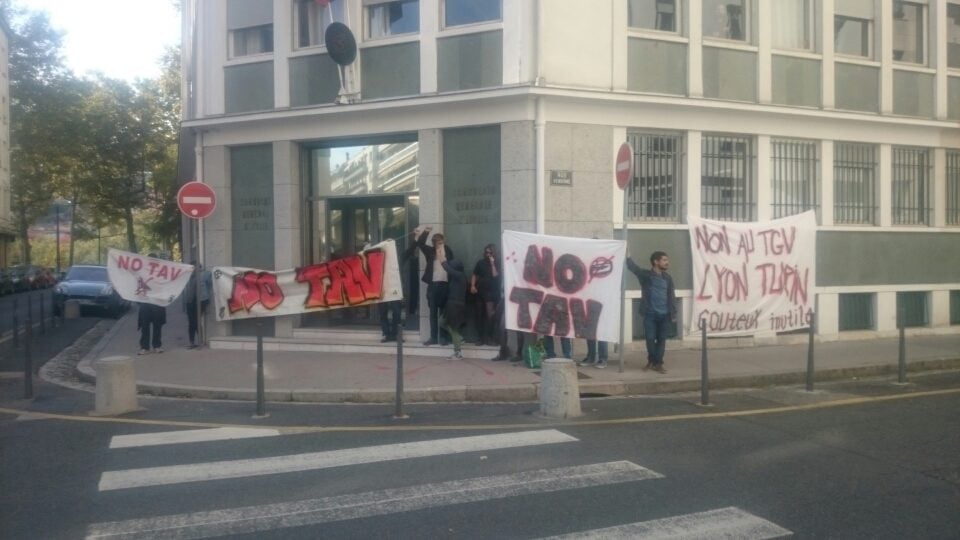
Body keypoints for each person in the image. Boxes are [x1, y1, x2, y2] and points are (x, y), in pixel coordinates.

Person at [626, 250, 677, 374]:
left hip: (665, 315)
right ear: (656, 262)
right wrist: (627, 255)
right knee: (650, 339)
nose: (667, 263)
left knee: (661, 340)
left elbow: (671, 296)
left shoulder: (668, 278)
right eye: (664, 260)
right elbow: (633, 268)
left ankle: (658, 363)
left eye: (667, 260)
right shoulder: (646, 276)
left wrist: (673, 313)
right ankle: (652, 361)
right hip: (650, 314)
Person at [416, 226, 455, 346]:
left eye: (441, 242)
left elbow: (452, 265)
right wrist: (426, 232)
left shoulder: (448, 250)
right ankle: (433, 337)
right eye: (437, 243)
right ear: (433, 243)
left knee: (443, 314)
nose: (439, 244)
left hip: (444, 285)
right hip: (433, 286)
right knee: (433, 313)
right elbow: (420, 244)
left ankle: (443, 338)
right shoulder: (430, 251)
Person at [379, 233, 419, 343]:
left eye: (392, 245)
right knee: (383, 312)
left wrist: (416, 238)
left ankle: (396, 334)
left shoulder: (399, 258)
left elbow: (410, 250)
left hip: (394, 289)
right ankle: (386, 334)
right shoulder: (378, 258)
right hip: (381, 289)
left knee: (396, 312)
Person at [470, 243, 501, 346]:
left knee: (490, 315)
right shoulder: (480, 263)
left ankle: (489, 337)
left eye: (490, 252)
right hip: (480, 292)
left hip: (491, 293)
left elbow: (495, 275)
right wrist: (473, 286)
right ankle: (480, 338)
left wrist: (492, 264)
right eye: (486, 252)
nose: (488, 254)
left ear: (494, 253)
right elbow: (475, 274)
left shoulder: (497, 263)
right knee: (478, 315)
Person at [439, 258, 467, 359]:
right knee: (441, 322)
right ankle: (459, 338)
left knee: (454, 328)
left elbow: (447, 268)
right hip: (451, 304)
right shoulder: (456, 277)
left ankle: (458, 353)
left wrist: (442, 260)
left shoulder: (460, 275)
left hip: (456, 305)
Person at [184, 263, 212, 349]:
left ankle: (200, 341)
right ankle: (192, 341)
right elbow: (185, 291)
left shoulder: (205, 274)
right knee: (191, 322)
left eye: (194, 267)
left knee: (196, 321)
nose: (193, 269)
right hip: (190, 302)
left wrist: (208, 300)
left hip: (201, 301)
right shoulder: (187, 276)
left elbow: (210, 285)